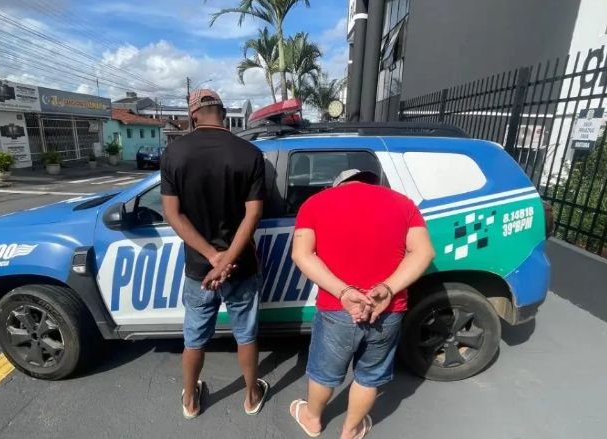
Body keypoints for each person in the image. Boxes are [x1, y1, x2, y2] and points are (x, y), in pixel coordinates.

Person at [290, 169, 435, 438]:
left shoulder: (315, 203)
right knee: (369, 377)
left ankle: (312, 419)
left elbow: (301, 254)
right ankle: (351, 430)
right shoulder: (403, 203)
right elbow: (424, 252)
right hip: (387, 309)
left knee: (324, 372)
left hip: (337, 308)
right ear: (372, 183)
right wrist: (387, 288)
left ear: (339, 184)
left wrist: (344, 291)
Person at [160, 89, 269, 419]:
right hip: (241, 266)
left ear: (194, 115)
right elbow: (253, 214)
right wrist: (227, 260)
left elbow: (172, 214)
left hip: (199, 269)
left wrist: (212, 257)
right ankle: (251, 396)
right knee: (246, 335)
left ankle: (190, 402)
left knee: (194, 338)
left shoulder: (174, 153)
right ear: (222, 112)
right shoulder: (250, 154)